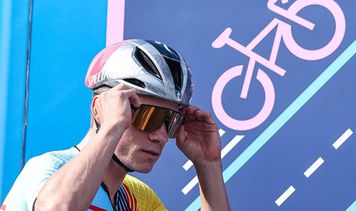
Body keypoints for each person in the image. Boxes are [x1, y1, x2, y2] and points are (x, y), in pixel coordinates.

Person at [1, 39, 230, 211]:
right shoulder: (46, 167)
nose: (160, 136)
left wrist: (208, 165)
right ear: (99, 110)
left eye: (170, 122)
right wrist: (112, 127)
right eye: (149, 117)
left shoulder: (138, 197)